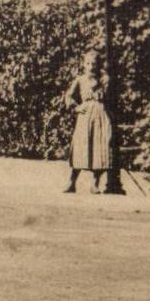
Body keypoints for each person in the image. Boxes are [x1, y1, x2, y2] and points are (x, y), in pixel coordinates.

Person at [64, 48, 113, 193]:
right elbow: (69, 96)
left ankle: (95, 184)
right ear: (84, 65)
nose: (91, 67)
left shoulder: (104, 80)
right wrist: (76, 107)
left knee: (100, 147)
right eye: (88, 63)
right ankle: (72, 182)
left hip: (101, 114)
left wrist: (103, 82)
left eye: (94, 64)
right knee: (80, 146)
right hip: (85, 116)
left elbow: (108, 96)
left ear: (99, 65)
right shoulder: (80, 79)